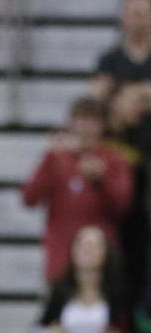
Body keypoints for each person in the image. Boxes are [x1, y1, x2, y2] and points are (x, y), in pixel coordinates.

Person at [21, 96, 133, 283]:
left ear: (104, 125)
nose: (87, 127)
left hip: (101, 263)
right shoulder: (57, 158)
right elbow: (29, 198)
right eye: (81, 120)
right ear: (71, 123)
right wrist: (49, 158)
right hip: (61, 259)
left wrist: (101, 179)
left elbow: (123, 207)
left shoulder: (114, 160)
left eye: (93, 121)